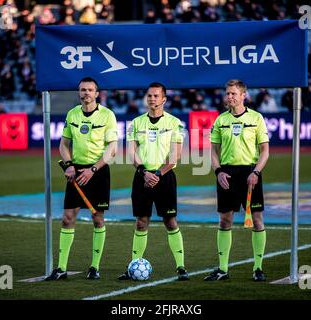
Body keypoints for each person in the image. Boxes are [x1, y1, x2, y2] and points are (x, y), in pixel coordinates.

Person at [45, 77, 118, 281]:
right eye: (83, 90)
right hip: (76, 173)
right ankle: (61, 268)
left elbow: (112, 148)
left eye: (90, 90)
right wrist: (69, 166)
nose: (86, 93)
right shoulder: (72, 114)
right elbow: (64, 144)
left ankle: (94, 267)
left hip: (98, 172)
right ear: (79, 93)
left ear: (97, 93)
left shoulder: (107, 115)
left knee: (98, 218)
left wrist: (93, 169)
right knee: (68, 218)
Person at [118, 82, 188, 281]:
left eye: (156, 96)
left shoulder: (175, 123)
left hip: (165, 178)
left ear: (164, 99)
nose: (152, 99)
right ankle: (133, 267)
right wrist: (143, 172)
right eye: (149, 95)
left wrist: (157, 174)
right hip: (142, 178)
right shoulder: (136, 123)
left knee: (170, 221)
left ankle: (181, 267)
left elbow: (175, 157)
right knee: (141, 222)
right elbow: (131, 153)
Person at [205, 79, 269, 281]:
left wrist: (256, 172)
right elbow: (213, 152)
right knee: (225, 220)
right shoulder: (220, 120)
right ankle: (223, 269)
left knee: (257, 220)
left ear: (244, 96)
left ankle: (258, 268)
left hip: (250, 174)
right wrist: (218, 172)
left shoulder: (256, 118)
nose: (230, 97)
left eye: (233, 93)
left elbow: (265, 151)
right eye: (228, 93)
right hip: (226, 175)